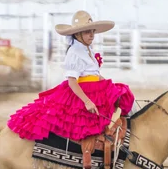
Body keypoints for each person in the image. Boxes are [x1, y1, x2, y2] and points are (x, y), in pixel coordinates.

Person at [7, 10, 135, 142]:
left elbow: (93, 73)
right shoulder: (74, 52)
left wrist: (107, 83)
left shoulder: (87, 49)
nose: (91, 35)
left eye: (92, 32)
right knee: (83, 122)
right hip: (85, 91)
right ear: (78, 34)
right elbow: (72, 81)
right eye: (87, 32)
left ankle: (123, 133)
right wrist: (87, 101)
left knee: (123, 93)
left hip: (95, 87)